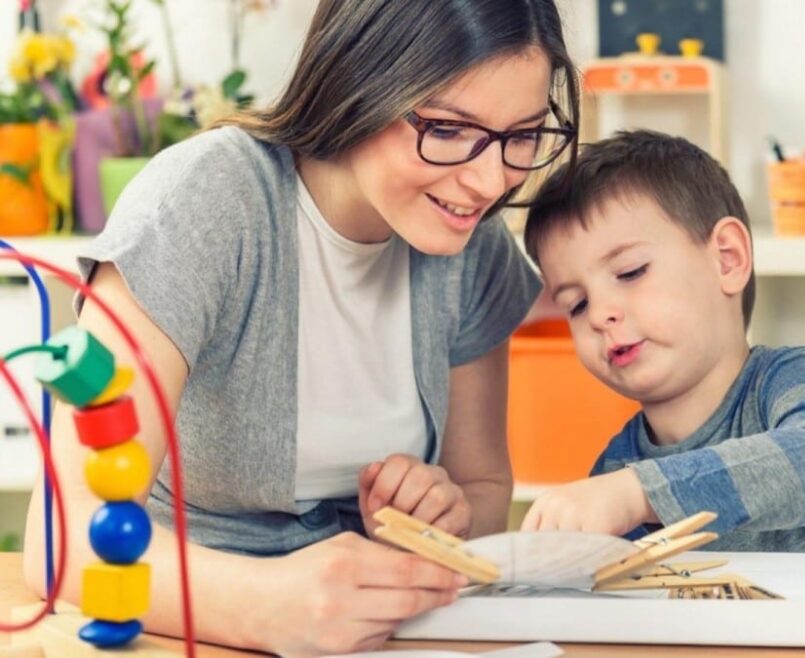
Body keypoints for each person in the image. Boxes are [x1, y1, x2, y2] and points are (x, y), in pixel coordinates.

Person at [22, 1, 579, 655]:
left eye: (523, 136)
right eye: (451, 130)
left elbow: (482, 490)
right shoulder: (207, 203)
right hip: (177, 632)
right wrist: (257, 606)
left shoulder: (472, 251)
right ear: (361, 83)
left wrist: (440, 522)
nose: (491, 182)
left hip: (374, 637)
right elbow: (61, 535)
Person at [518, 130, 805, 572]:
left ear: (727, 259)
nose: (599, 315)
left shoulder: (787, 379)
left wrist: (639, 494)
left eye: (630, 272)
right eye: (577, 304)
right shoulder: (616, 466)